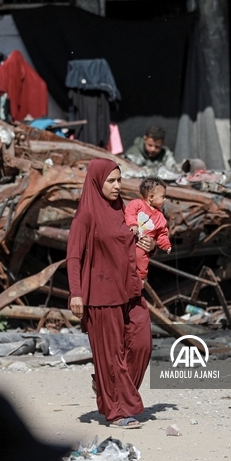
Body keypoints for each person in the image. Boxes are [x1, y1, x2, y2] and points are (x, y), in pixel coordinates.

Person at [67, 158, 155, 429]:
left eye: (120, 180)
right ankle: (117, 411)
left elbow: (132, 244)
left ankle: (108, 388)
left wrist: (147, 244)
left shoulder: (125, 211)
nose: (118, 186)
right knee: (111, 355)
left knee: (142, 343)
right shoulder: (87, 215)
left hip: (129, 290)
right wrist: (76, 294)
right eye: (111, 181)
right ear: (97, 182)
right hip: (101, 296)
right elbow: (73, 257)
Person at [124, 177, 172, 282]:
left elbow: (162, 233)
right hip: (129, 238)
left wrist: (166, 245)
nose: (165, 199)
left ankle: (141, 276)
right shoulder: (137, 204)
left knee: (141, 257)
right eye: (163, 197)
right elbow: (129, 213)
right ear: (151, 197)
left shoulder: (160, 217)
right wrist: (133, 225)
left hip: (142, 243)